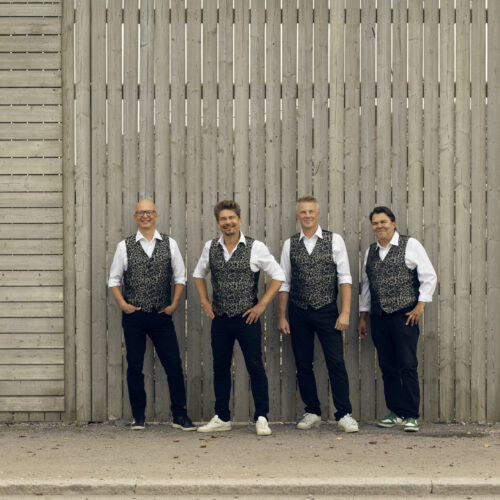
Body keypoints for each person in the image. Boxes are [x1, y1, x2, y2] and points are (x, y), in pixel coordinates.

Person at [193, 200, 285, 436]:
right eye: (223, 219)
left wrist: (262, 305)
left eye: (231, 218)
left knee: (255, 366)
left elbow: (278, 275)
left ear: (239, 220)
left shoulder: (256, 247)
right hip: (220, 319)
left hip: (247, 319)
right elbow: (198, 274)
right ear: (218, 223)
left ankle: (262, 417)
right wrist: (205, 302)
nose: (228, 222)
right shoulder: (210, 247)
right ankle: (222, 417)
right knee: (220, 367)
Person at [108, 199, 195, 431]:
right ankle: (138, 417)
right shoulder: (124, 246)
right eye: (141, 212)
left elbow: (180, 277)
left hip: (161, 315)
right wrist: (123, 305)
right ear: (135, 217)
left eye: (149, 212)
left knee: (173, 364)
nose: (145, 216)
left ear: (155, 215)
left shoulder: (170, 243)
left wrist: (174, 304)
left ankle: (180, 416)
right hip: (134, 317)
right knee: (135, 366)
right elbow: (114, 280)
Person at [277, 195, 359, 433]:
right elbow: (284, 282)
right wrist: (281, 316)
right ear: (298, 215)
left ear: (318, 214)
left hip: (327, 311)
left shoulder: (335, 240)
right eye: (303, 212)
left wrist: (345, 312)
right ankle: (312, 411)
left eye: (311, 211)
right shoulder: (290, 244)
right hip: (298, 311)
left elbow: (345, 277)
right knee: (303, 363)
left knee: (336, 362)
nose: (307, 216)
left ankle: (344, 414)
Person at [357, 206, 437, 432]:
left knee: (407, 365)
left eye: (383, 222)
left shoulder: (410, 245)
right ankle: (396, 411)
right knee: (387, 366)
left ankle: (411, 415)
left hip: (404, 315)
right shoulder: (370, 252)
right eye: (375, 223)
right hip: (379, 317)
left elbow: (429, 276)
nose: (379, 226)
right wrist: (363, 317)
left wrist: (420, 306)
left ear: (393, 223)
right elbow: (366, 287)